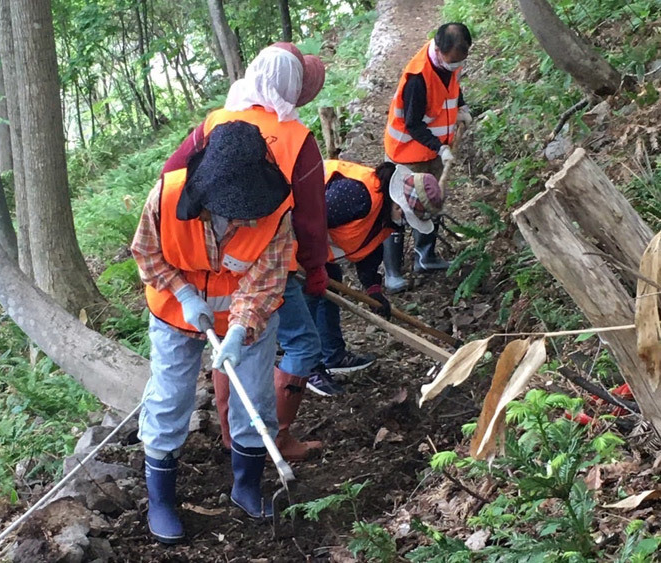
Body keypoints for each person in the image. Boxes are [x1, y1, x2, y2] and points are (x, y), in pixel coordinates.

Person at [162, 43, 339, 462]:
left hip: (213, 261)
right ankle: (273, 436)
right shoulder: (299, 140)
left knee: (228, 341)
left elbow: (171, 179)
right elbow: (312, 221)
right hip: (269, 261)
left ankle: (232, 433)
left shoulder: (216, 122)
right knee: (303, 345)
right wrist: (316, 269)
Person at [131, 120, 295, 543]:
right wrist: (184, 293)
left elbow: (265, 282)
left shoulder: (275, 212)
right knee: (169, 399)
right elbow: (147, 254)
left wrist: (240, 329)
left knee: (255, 398)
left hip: (249, 322)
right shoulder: (166, 198)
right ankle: (161, 500)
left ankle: (245, 486)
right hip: (175, 314)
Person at [307, 159, 444, 370]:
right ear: (399, 205)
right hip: (292, 236)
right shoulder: (356, 195)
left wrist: (373, 289)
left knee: (330, 284)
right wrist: (310, 265)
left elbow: (369, 248)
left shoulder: (386, 215)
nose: (406, 224)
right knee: (306, 298)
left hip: (319, 250)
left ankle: (332, 356)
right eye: (407, 218)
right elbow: (307, 221)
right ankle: (306, 366)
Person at [382, 22, 473, 291]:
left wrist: (462, 106)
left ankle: (426, 256)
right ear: (440, 49)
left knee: (432, 200)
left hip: (433, 148)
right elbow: (412, 124)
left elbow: (452, 87)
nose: (457, 65)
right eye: (453, 60)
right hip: (407, 152)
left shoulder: (449, 64)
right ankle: (392, 272)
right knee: (400, 208)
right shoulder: (418, 78)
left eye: (461, 60)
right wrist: (439, 147)